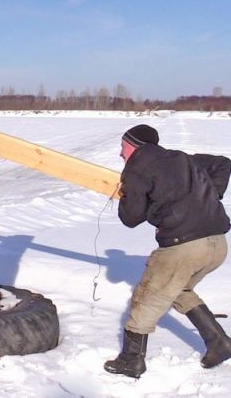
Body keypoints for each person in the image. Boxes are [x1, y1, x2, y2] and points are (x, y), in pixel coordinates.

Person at [104, 124, 231, 378]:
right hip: (217, 243)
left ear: (134, 145)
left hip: (183, 245)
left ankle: (131, 360)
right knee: (178, 289)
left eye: (123, 146)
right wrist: (211, 195)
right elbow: (223, 163)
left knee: (146, 297)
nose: (120, 153)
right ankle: (219, 342)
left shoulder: (137, 168)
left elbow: (131, 218)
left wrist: (125, 193)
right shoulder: (181, 158)